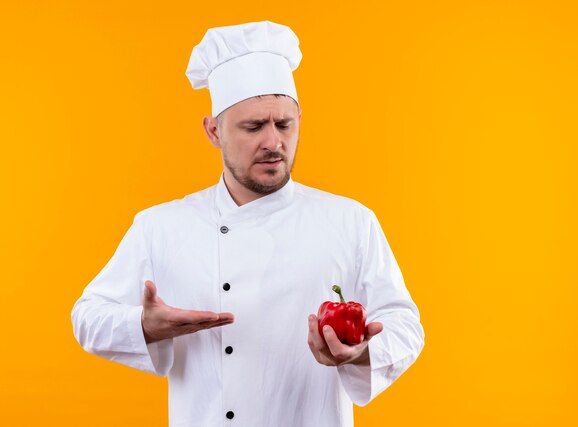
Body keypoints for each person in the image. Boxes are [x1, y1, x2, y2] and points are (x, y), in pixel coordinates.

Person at [71, 20, 424, 427]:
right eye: (254, 127)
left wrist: (360, 353)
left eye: (284, 124)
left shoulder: (350, 222)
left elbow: (406, 327)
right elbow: (87, 317)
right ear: (214, 131)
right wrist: (143, 327)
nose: (273, 142)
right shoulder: (161, 227)